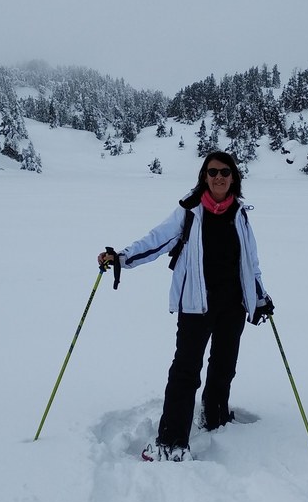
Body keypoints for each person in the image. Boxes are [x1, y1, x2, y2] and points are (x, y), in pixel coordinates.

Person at [98, 151, 274, 462]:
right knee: (186, 371)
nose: (218, 177)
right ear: (204, 176)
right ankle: (170, 440)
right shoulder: (189, 212)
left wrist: (259, 297)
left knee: (224, 366)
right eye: (212, 172)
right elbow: (156, 240)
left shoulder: (240, 214)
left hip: (233, 304)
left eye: (225, 172)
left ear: (234, 177)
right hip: (196, 304)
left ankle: (215, 417)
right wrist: (122, 258)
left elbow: (251, 262)